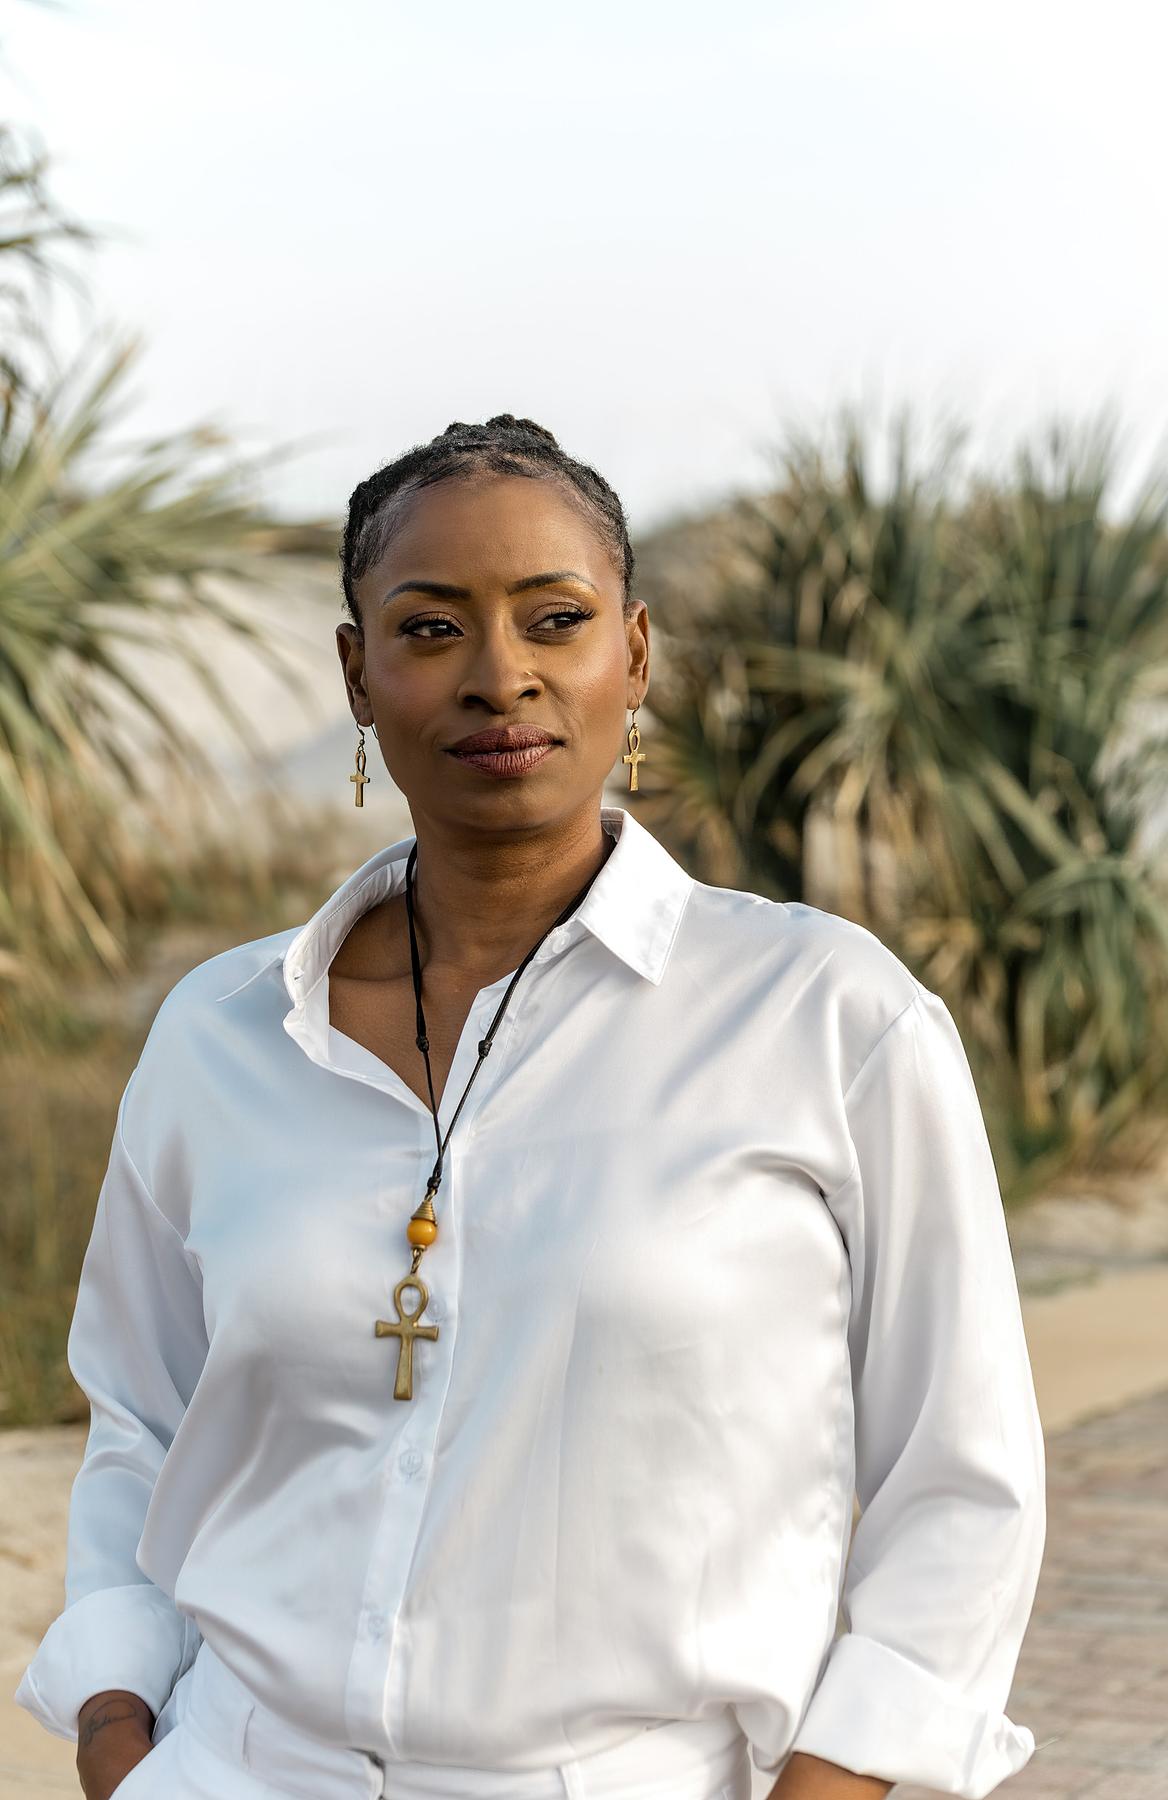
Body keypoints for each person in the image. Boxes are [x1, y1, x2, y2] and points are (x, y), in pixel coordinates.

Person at [15, 415, 1046, 1800]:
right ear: (356, 673)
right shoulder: (222, 1032)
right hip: (234, 1767)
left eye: (553, 621)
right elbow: (140, 1418)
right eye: (431, 629)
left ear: (634, 654)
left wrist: (835, 1779)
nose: (502, 678)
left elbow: (961, 1476)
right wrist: (115, 1725)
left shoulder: (826, 1019)